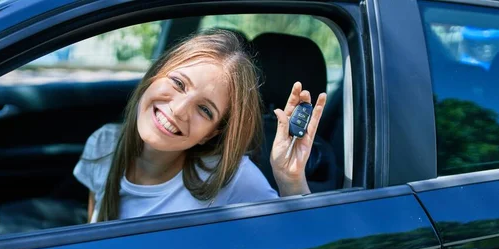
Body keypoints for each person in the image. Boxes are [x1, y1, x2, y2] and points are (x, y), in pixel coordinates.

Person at [74, 29, 327, 223]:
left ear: (212, 133)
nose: (179, 110)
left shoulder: (228, 177)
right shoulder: (103, 144)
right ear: (157, 73)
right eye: (178, 83)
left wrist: (290, 180)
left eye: (205, 110)